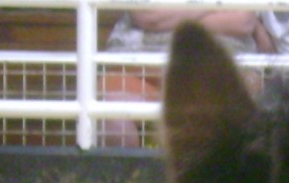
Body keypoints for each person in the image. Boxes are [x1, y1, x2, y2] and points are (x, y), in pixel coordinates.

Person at [99, 9, 259, 147]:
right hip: (143, 62)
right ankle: (128, 178)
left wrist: (171, 18)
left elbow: (243, 21)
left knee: (248, 93)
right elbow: (148, 15)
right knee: (112, 103)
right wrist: (212, 6)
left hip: (218, 69)